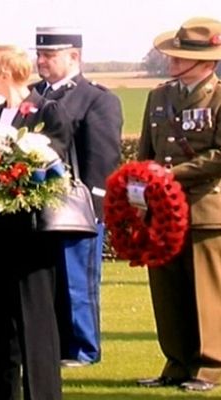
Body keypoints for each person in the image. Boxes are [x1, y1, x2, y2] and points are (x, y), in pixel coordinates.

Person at [0, 44, 71, 400]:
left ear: (3, 72)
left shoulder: (47, 110)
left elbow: (53, 159)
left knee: (34, 317)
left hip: (32, 231)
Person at [136, 17, 221, 392]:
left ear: (207, 63)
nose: (171, 60)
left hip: (205, 207)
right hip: (162, 210)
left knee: (207, 290)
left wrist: (172, 175)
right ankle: (176, 361)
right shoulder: (159, 97)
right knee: (167, 291)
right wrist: (137, 191)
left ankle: (210, 367)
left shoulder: (219, 97)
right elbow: (145, 153)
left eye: (181, 56)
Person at [33, 27, 123, 366]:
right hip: (39, 207)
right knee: (47, 281)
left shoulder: (97, 98)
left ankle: (82, 347)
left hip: (77, 207)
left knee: (76, 283)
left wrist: (97, 207)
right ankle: (52, 343)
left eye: (50, 55)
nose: (41, 61)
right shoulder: (32, 96)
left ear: (75, 56)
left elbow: (102, 157)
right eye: (40, 54)